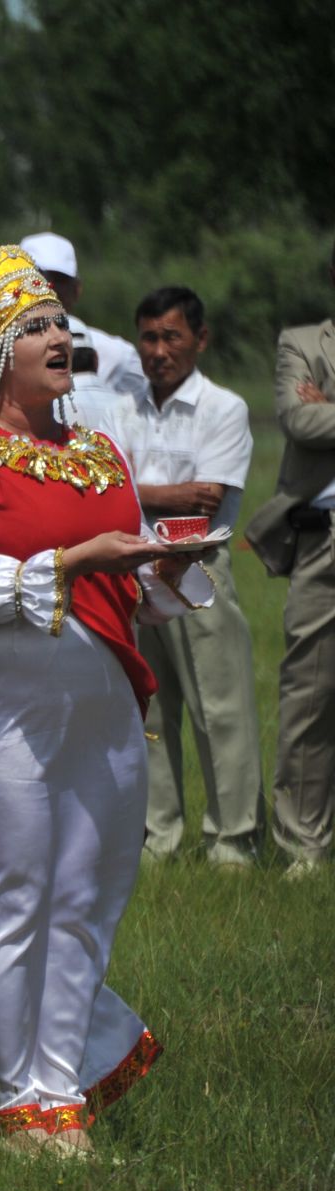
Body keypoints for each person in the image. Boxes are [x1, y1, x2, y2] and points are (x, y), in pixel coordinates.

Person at [0, 245, 210, 1157]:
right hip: (6, 700)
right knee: (13, 893)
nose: (61, 337)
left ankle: (60, 1089)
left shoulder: (100, 452)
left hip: (102, 696)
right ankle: (12, 1105)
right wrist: (70, 563)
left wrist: (166, 568)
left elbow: (128, 593)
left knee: (86, 893)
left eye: (60, 324)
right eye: (37, 326)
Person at [101, 286, 262, 868]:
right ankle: (157, 835)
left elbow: (209, 497)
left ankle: (233, 839)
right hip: (137, 570)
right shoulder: (121, 410)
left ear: (200, 338)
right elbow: (111, 491)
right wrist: (169, 492)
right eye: (148, 337)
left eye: (172, 336)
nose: (159, 350)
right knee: (149, 707)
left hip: (199, 568)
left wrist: (142, 491)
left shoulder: (224, 408)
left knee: (221, 707)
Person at [248, 237, 335, 878]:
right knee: (309, 692)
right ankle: (303, 846)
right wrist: (312, 410)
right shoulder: (303, 340)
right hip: (322, 536)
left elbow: (319, 417)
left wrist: (325, 403)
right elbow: (298, 423)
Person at [19, 231, 148, 402]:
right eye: (36, 279)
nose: (47, 287)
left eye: (59, 280)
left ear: (77, 289)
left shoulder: (117, 355)